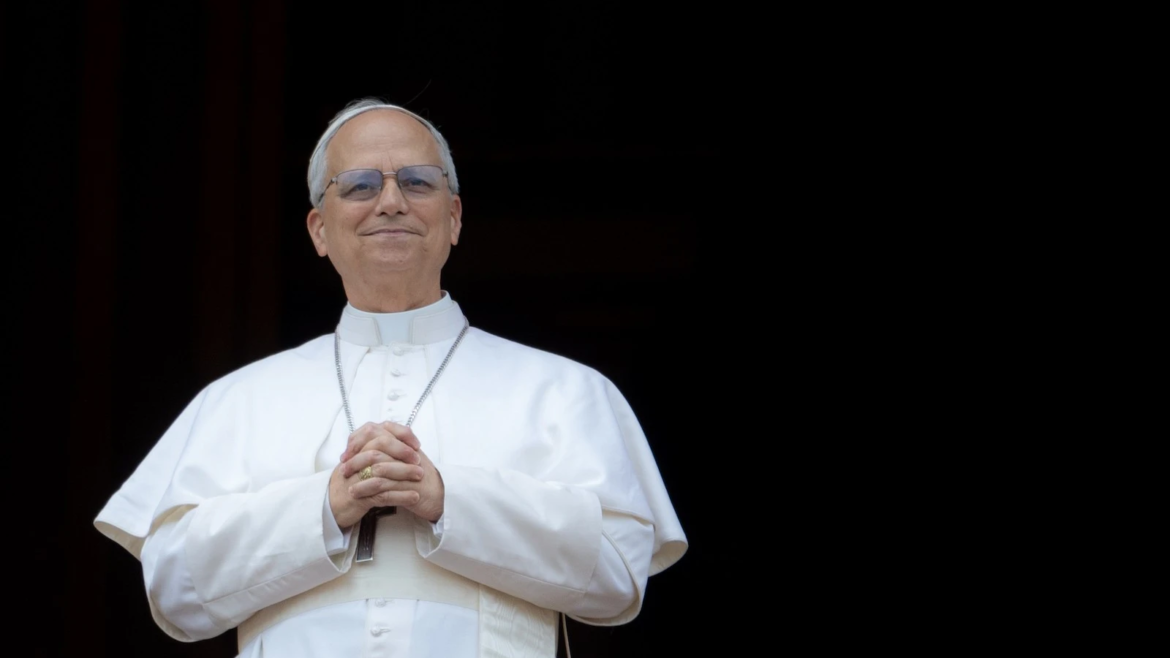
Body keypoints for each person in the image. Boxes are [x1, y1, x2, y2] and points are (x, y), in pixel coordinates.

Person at [94, 97, 687, 657]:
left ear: (453, 218)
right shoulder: (237, 400)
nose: (391, 201)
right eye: (359, 186)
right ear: (319, 230)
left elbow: (618, 579)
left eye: (418, 182)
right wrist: (325, 506)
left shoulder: (565, 392)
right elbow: (174, 593)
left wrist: (448, 499)